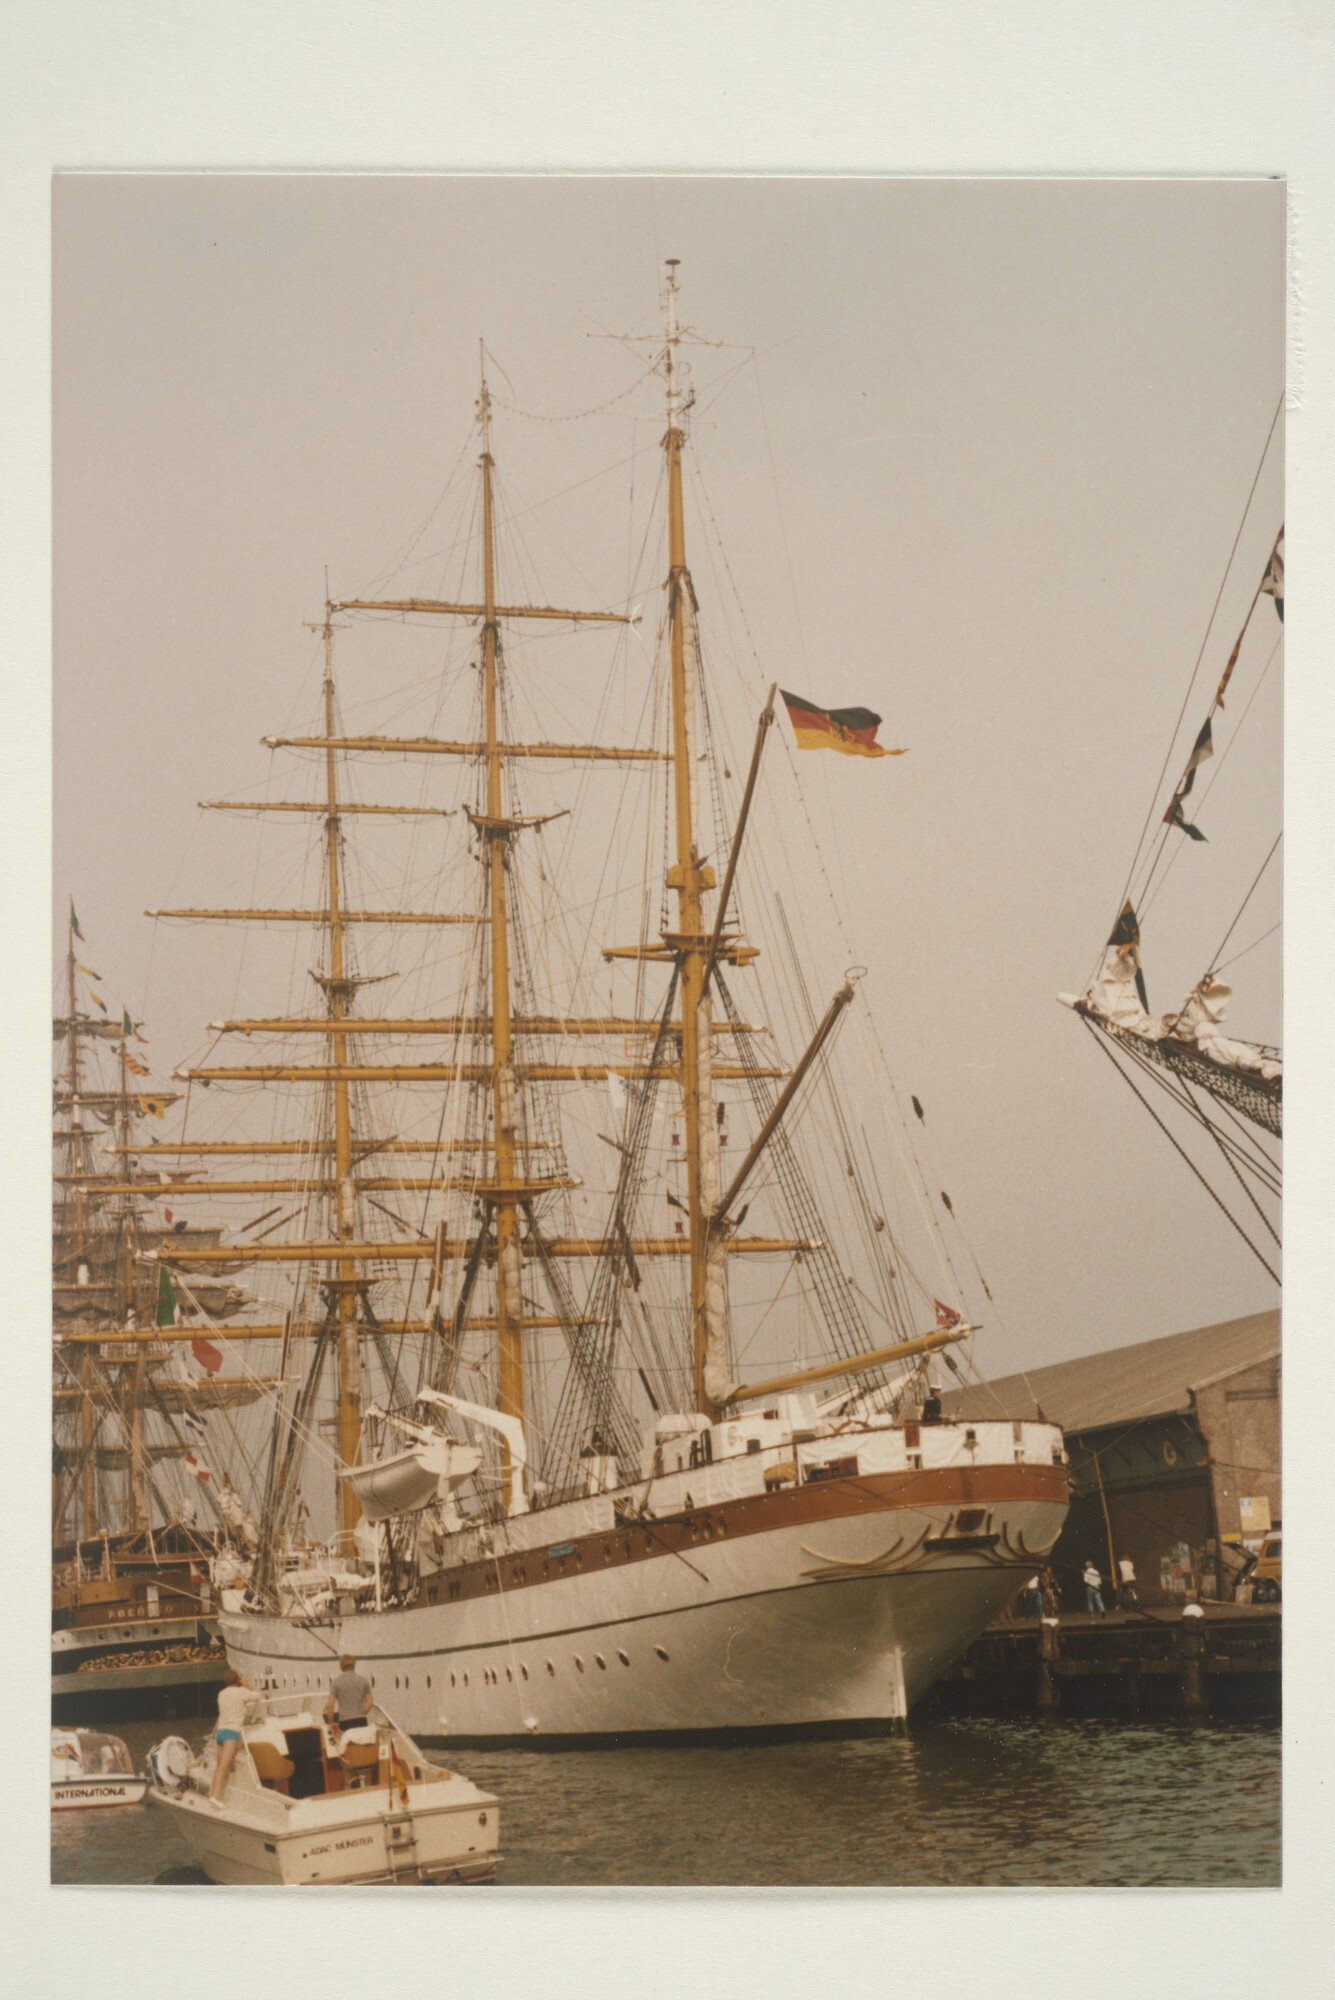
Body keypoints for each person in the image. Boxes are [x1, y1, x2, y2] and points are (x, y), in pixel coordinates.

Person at [209, 1666, 252, 1804]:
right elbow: (257, 1696)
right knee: (224, 1766)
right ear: (237, 1680)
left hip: (220, 1732)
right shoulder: (241, 1692)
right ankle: (216, 1797)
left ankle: (212, 1793)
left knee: (219, 1766)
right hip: (231, 1733)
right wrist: (246, 1685)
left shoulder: (221, 1694)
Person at [325, 1652, 374, 1740]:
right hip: (361, 1720)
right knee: (360, 1748)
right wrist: (361, 1713)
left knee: (347, 1749)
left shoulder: (336, 1682)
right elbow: (370, 1702)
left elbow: (330, 1705)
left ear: (341, 1666)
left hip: (345, 1722)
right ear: (354, 1665)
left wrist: (331, 1723)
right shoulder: (363, 1681)